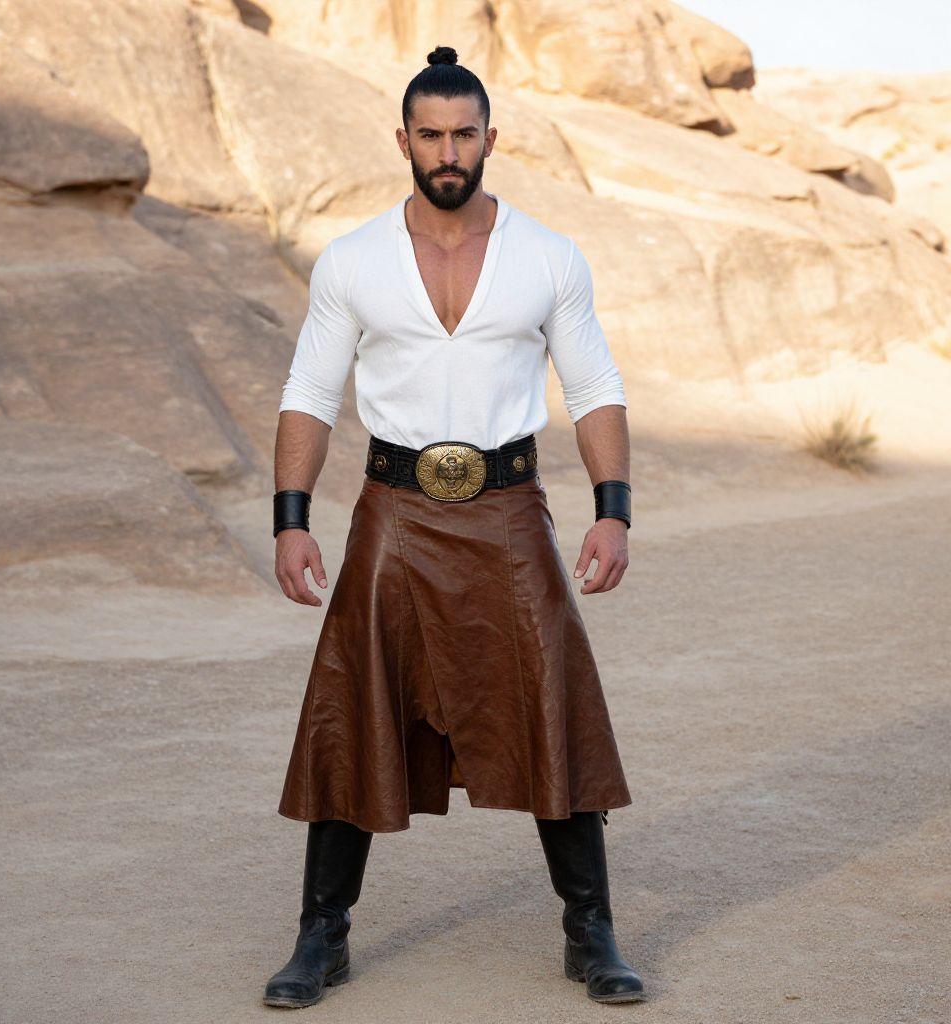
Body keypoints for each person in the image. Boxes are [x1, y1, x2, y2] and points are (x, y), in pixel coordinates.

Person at [262, 46, 645, 1009]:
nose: (447, 151)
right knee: (355, 706)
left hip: (510, 510)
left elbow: (594, 386)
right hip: (391, 513)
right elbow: (310, 391)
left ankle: (590, 933)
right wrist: (291, 521)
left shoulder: (548, 254)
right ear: (403, 140)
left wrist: (613, 512)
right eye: (429, 134)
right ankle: (322, 937)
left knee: (551, 697)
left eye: (464, 133)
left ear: (490, 140)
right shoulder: (351, 260)